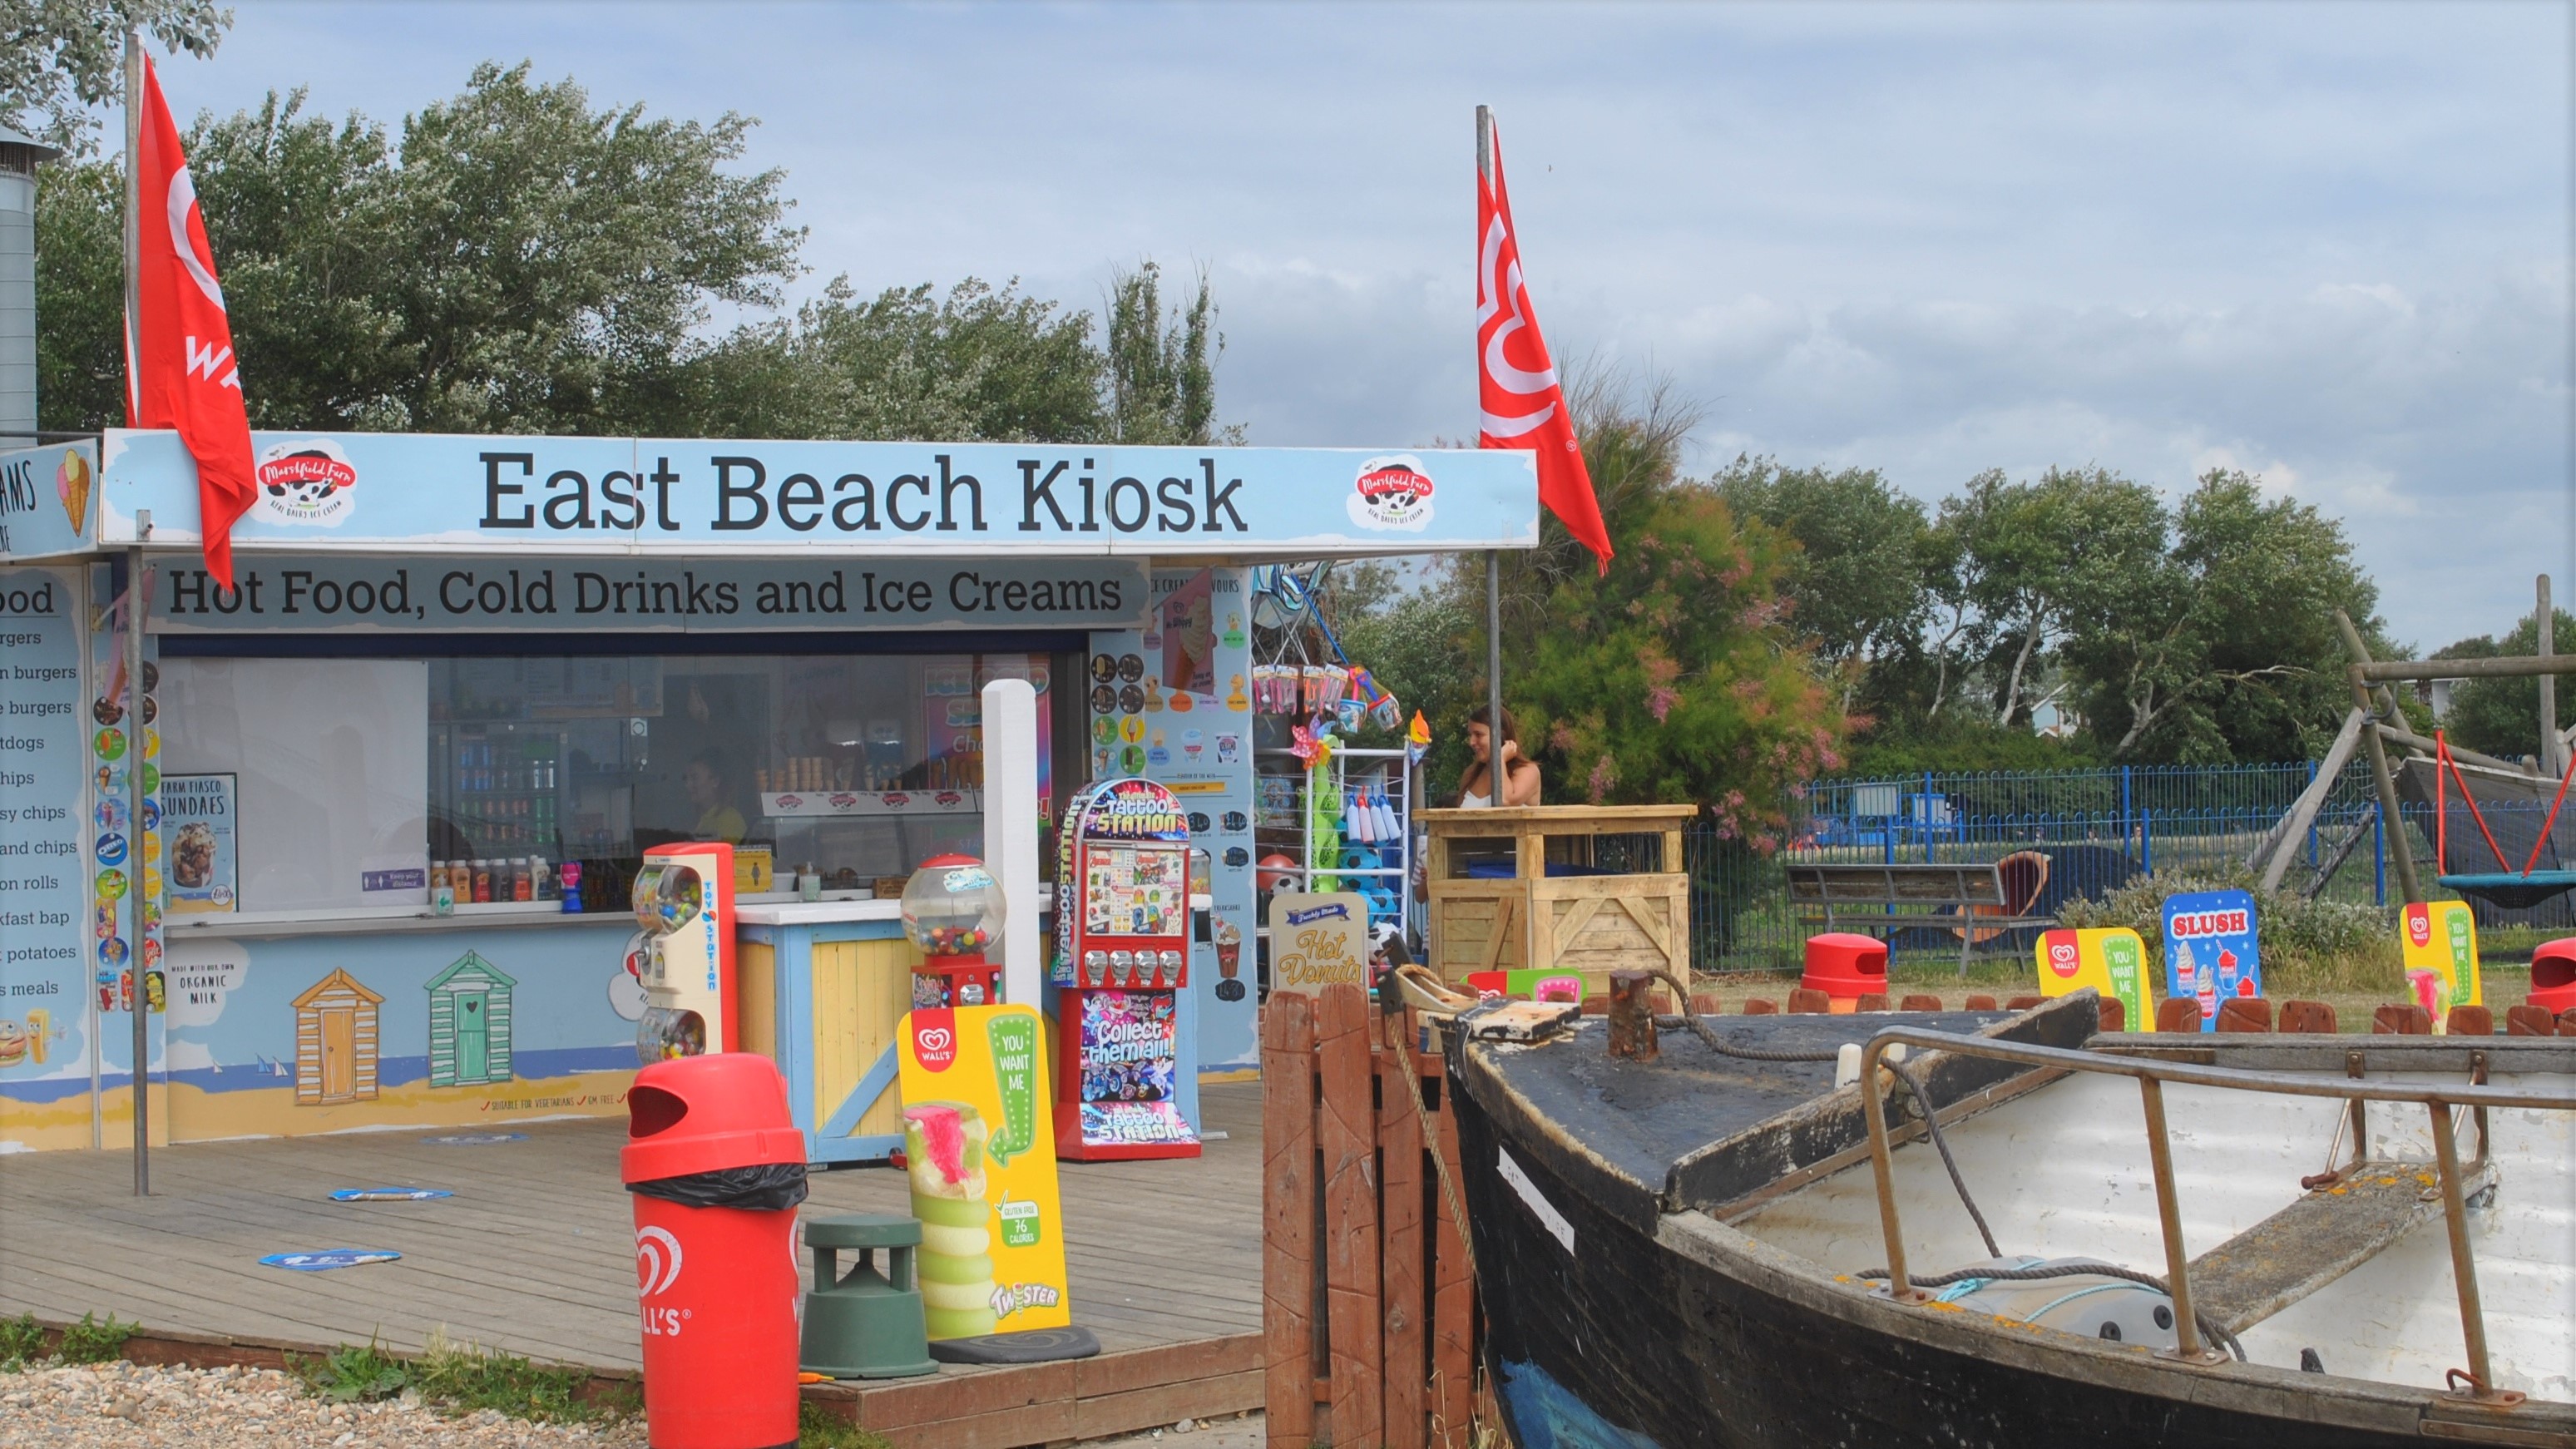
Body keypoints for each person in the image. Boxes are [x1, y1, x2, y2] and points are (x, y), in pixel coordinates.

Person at [1457, 705, 1541, 808]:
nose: (1472, 742)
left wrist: (1500, 759)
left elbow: (1506, 801)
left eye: (1478, 735)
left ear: (1501, 736)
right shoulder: (1470, 775)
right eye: (1470, 735)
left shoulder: (1528, 771)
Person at [683, 750, 747, 844]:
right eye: (686, 779)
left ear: (715, 781)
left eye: (694, 778)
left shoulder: (729, 820)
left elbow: (725, 857)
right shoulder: (703, 818)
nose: (688, 785)